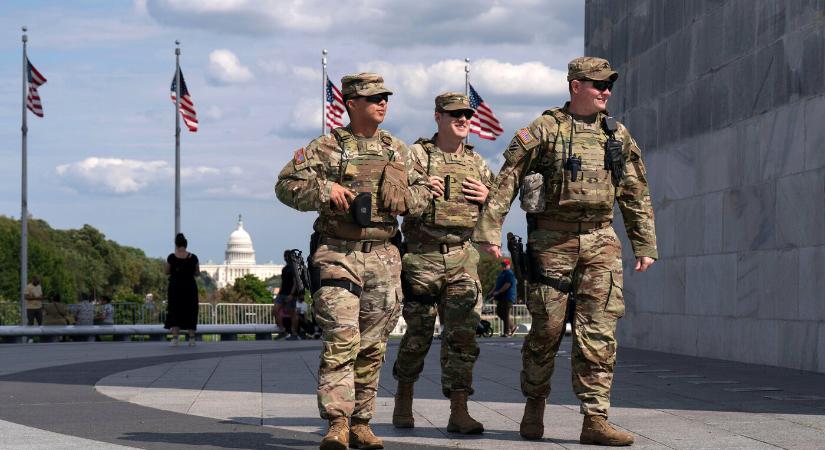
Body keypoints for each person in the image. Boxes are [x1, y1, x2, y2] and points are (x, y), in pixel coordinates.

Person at [473, 57, 658, 446]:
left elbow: (635, 191)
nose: (606, 91)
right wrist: (490, 229)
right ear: (576, 86)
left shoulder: (616, 135)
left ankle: (595, 419)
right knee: (547, 330)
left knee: (599, 332)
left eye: (609, 85)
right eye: (598, 84)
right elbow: (508, 178)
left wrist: (644, 243)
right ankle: (534, 405)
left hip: (600, 240)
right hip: (551, 242)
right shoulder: (545, 129)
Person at [275, 73, 431, 450]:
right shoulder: (326, 147)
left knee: (373, 346)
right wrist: (324, 189)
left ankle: (361, 422)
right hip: (336, 252)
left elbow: (426, 191)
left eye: (385, 97)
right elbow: (285, 185)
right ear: (352, 104)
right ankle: (337, 422)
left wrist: (408, 199)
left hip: (384, 256)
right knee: (342, 337)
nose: (383, 103)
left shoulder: (399, 150)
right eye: (374, 98)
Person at [391, 92, 493, 435]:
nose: (463, 119)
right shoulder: (416, 156)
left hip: (462, 257)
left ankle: (459, 411)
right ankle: (404, 398)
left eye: (467, 114)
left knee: (463, 337)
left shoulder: (478, 162)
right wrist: (420, 189)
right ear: (438, 117)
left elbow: (498, 206)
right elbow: (396, 200)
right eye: (454, 114)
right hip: (422, 258)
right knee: (418, 334)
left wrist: (488, 197)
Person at [164, 233, 200, 347]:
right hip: (190, 288)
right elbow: (197, 273)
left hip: (175, 288)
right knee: (191, 311)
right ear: (186, 244)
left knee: (174, 311)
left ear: (176, 245)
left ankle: (175, 339)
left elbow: (166, 271)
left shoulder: (171, 257)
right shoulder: (193, 257)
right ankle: (192, 339)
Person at [273, 251, 300, 340]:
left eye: (287, 256)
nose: (285, 258)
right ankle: (283, 331)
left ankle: (294, 333)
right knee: (275, 311)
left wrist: (291, 294)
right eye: (285, 256)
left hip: (290, 294)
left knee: (292, 314)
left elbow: (296, 282)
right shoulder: (284, 269)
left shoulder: (295, 268)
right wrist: (279, 293)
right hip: (282, 293)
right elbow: (283, 282)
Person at [489, 258, 517, 336]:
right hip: (501, 297)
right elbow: (497, 284)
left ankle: (506, 332)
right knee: (499, 312)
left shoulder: (509, 273)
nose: (503, 266)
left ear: (508, 265)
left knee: (505, 313)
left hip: (508, 296)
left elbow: (507, 284)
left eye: (505, 265)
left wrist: (498, 291)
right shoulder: (502, 273)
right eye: (503, 264)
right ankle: (512, 326)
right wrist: (492, 291)